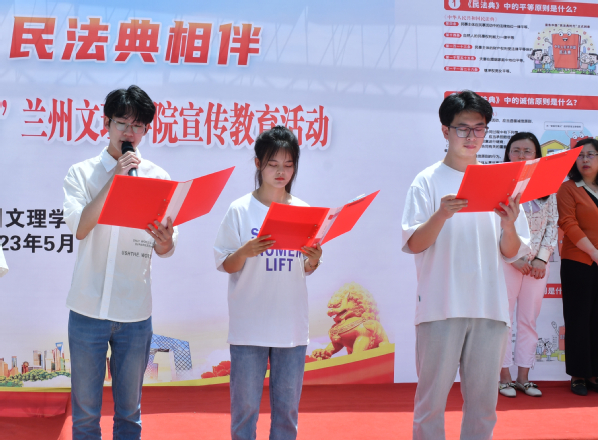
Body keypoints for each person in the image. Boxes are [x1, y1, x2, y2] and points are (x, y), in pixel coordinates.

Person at [401, 90, 530, 440]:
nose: (471, 136)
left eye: (479, 128)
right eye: (463, 128)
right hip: (440, 307)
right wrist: (441, 215)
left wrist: (508, 225)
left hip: (490, 308)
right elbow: (413, 243)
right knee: (431, 404)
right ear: (445, 131)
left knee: (483, 406)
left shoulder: (502, 182)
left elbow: (512, 252)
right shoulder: (427, 181)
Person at [63, 85, 178, 439]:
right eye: (122, 123)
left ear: (146, 130)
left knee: (129, 415)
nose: (129, 133)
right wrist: (114, 178)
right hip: (88, 310)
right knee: (85, 416)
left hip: (135, 314)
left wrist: (165, 240)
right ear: (106, 124)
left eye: (137, 125)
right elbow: (81, 228)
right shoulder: (81, 173)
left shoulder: (158, 178)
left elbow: (166, 248)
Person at [214, 125, 322, 440]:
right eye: (273, 164)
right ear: (258, 164)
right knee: (245, 412)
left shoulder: (303, 211)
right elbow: (225, 264)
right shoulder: (240, 209)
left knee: (287, 414)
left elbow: (304, 267)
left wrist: (314, 259)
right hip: (250, 326)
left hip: (291, 327)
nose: (281, 172)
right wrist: (245, 251)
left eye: (288, 165)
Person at [498, 132, 558, 398]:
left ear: (537, 156)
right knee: (504, 321)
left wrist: (541, 259)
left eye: (527, 151)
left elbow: (552, 224)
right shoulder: (499, 184)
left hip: (536, 266)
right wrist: (515, 258)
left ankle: (524, 377)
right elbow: (492, 227)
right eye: (516, 150)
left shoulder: (547, 185)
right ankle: (504, 377)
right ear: (508, 153)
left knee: (528, 320)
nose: (521, 155)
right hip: (506, 262)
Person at [557, 138, 598, 396]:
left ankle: (594, 373)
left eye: (591, 154)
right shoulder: (568, 188)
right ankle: (578, 375)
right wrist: (594, 253)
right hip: (578, 262)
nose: (585, 159)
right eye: (580, 155)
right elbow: (568, 223)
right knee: (578, 319)